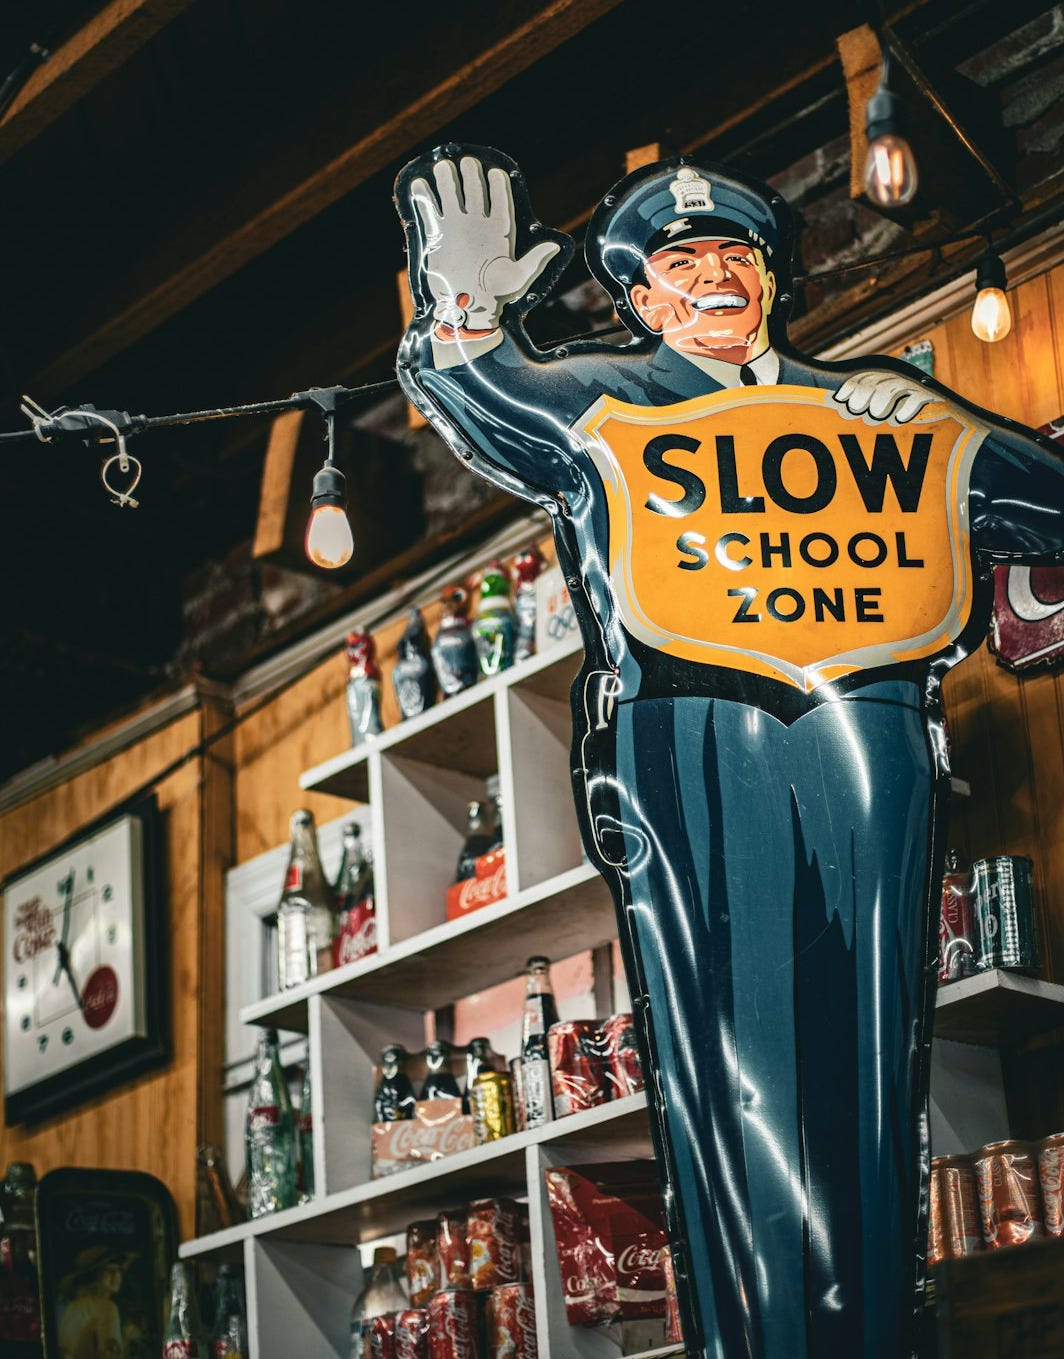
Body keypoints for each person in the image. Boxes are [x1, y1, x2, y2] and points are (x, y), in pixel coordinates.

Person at [394, 146, 1064, 1359]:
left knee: (873, 1056)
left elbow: (1042, 496)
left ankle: (868, 1335)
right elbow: (489, 394)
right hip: (695, 733)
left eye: (731, 254)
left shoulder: (859, 404)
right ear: (643, 300)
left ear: (766, 276)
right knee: (731, 1066)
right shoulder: (608, 398)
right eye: (679, 261)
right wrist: (462, 307)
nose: (712, 275)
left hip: (869, 728)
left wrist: (931, 420)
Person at [57, 1245, 133, 1359]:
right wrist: (127, 1339)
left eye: (119, 1271)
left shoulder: (72, 1307)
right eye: (110, 1271)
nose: (117, 1276)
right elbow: (111, 1356)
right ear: (93, 1276)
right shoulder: (107, 1307)